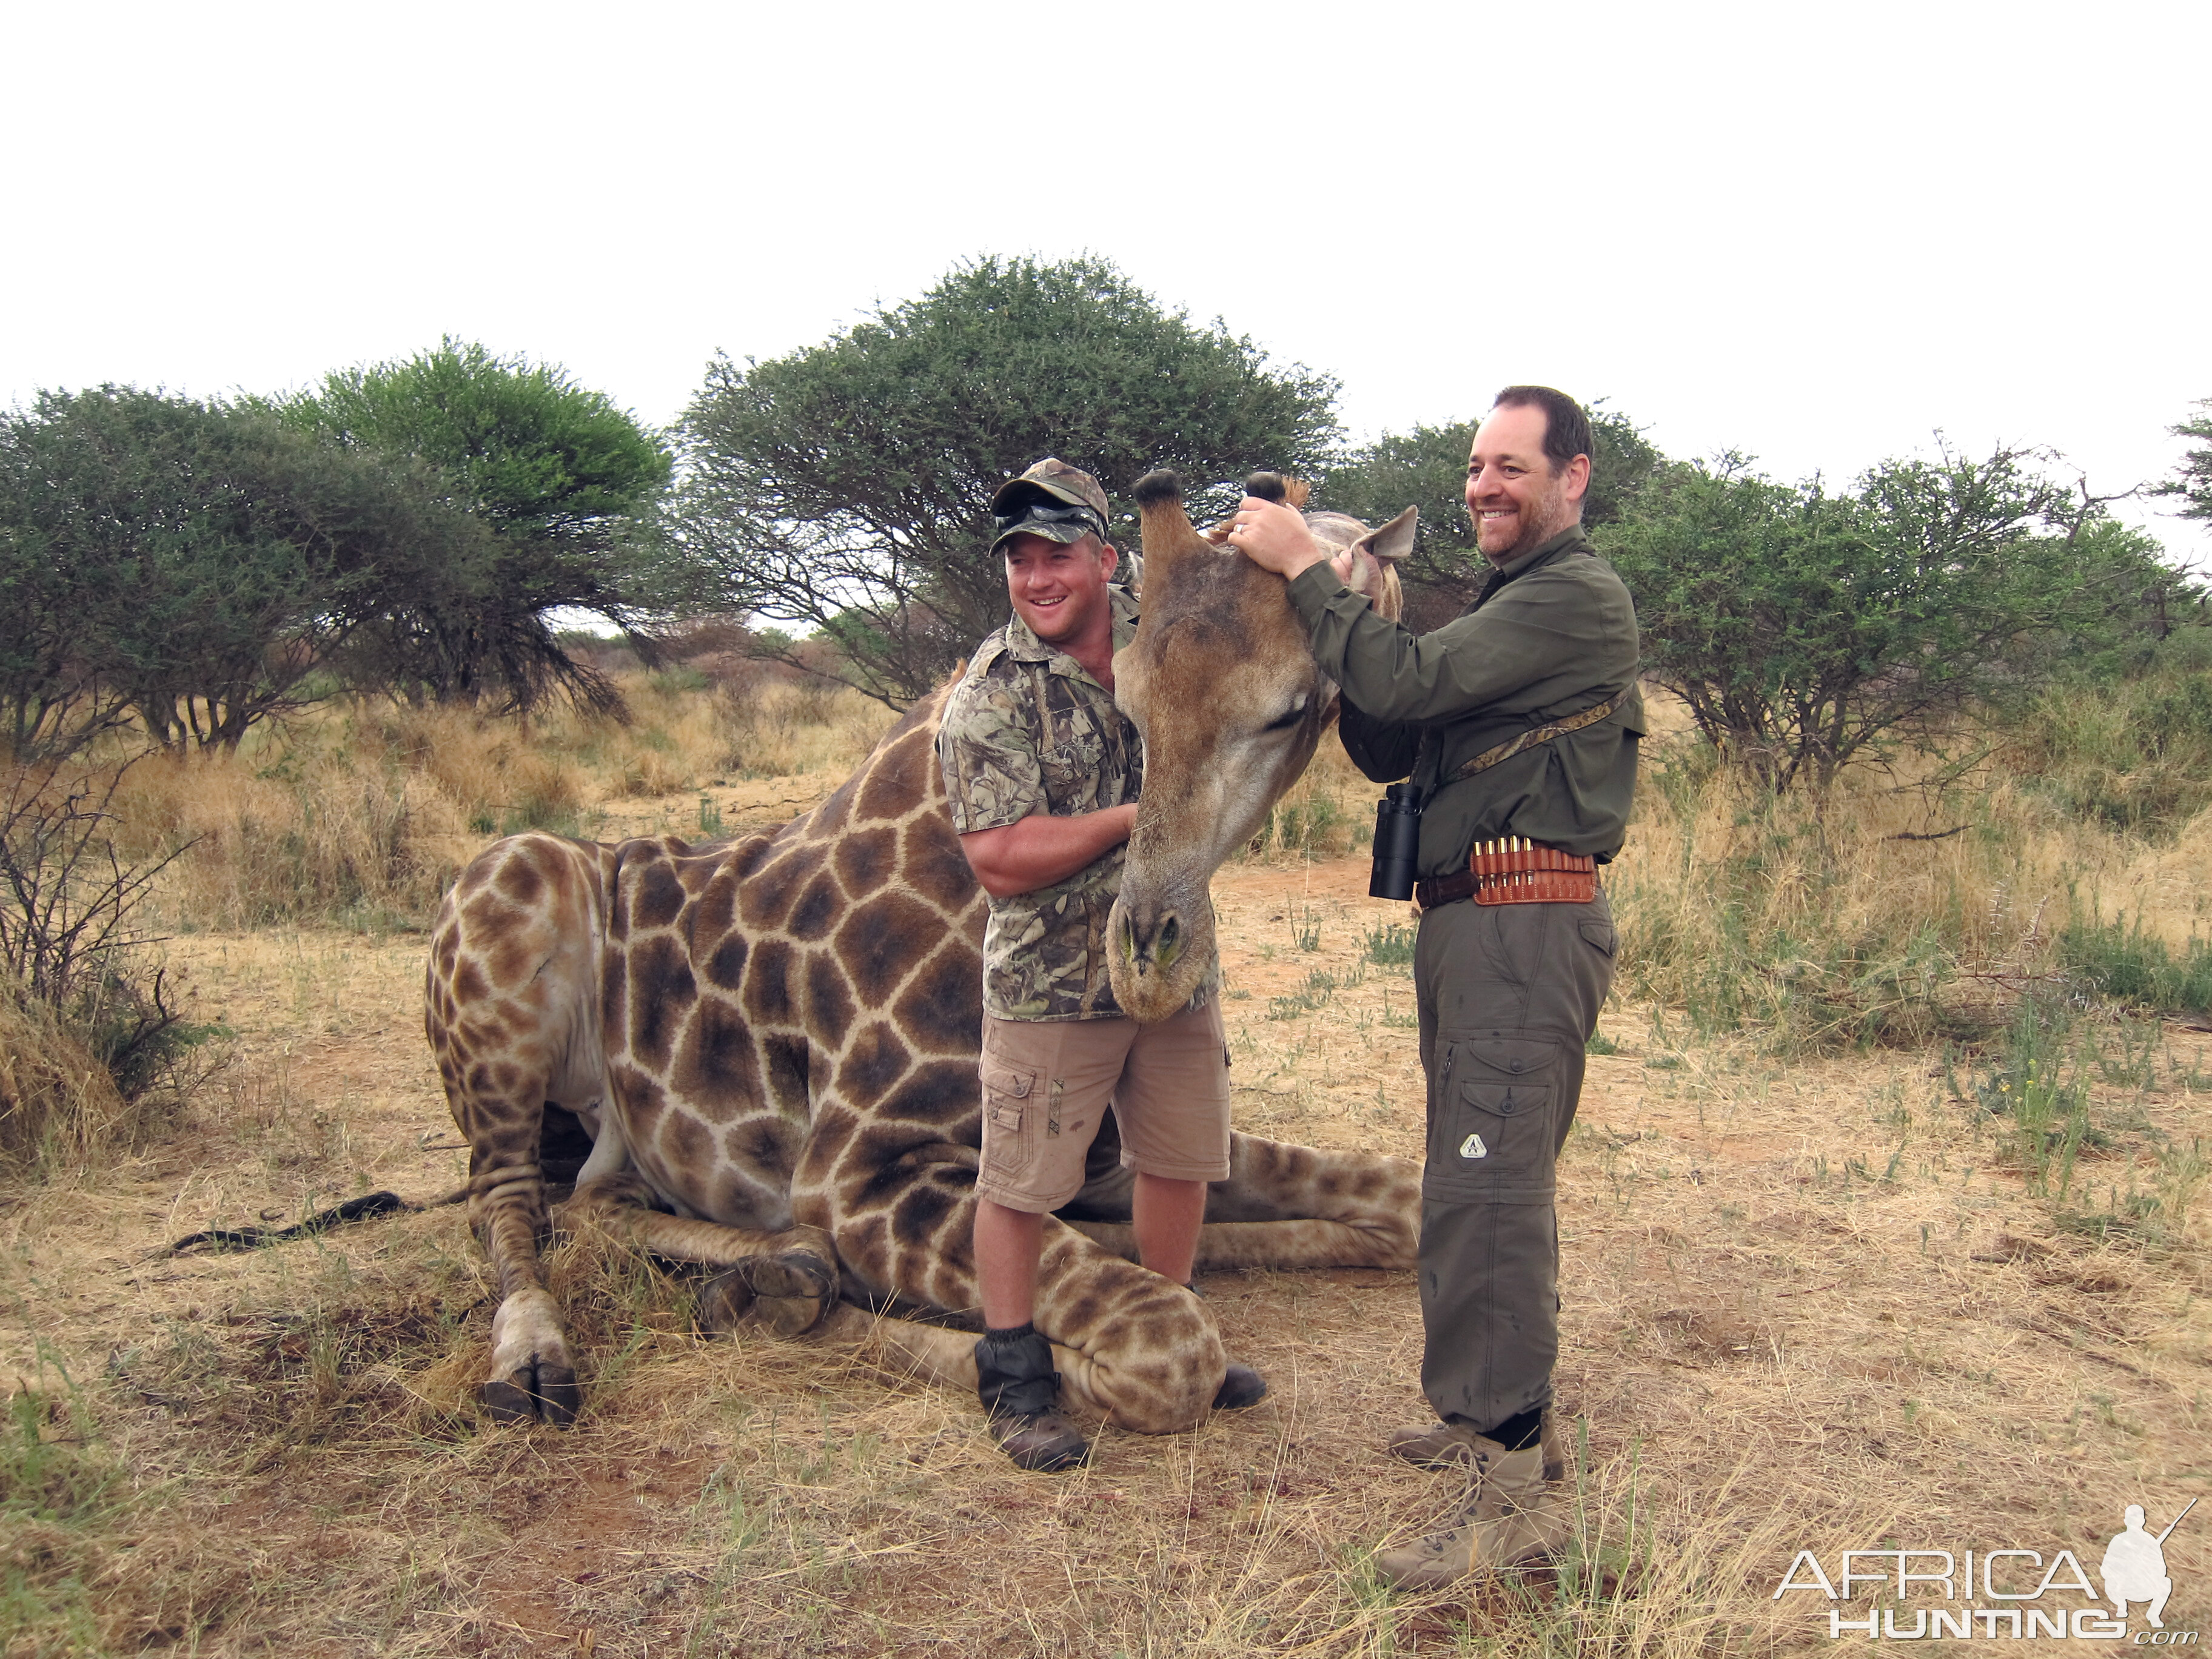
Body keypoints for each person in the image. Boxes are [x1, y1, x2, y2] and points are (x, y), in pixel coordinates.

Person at [1227, 388, 1643, 1586]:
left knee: (1488, 1197)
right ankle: (1497, 1424)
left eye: (1511, 466)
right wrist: (1356, 607)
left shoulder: (1575, 594)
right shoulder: (1514, 602)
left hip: (1524, 928)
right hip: (1478, 929)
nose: (1482, 488)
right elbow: (1394, 740)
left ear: (1574, 478)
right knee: (1481, 1181)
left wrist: (1305, 565)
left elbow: (1406, 688)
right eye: (1474, 466)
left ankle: (1507, 1498)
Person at [938, 457, 1264, 1472]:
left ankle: (1173, 1332)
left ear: (1106, 560)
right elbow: (998, 860)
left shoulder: (1163, 649)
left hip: (1171, 964)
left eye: (1058, 557)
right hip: (1051, 980)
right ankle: (1015, 1371)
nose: (1037, 578)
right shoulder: (988, 698)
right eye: (1020, 562)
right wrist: (1145, 817)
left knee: (1179, 1155)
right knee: (1022, 1179)